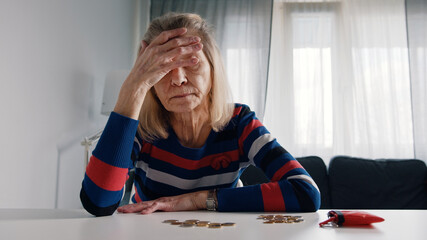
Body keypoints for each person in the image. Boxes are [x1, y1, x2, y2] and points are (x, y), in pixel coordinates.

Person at [80, 12, 320, 217]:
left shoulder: (239, 122)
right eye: (163, 68)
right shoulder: (141, 128)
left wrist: (196, 200)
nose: (178, 78)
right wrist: (133, 87)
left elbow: (306, 192)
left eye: (191, 63)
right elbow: (98, 203)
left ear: (212, 69)